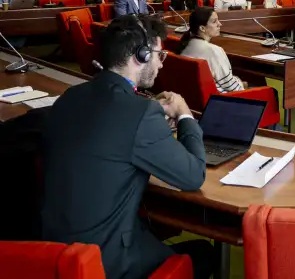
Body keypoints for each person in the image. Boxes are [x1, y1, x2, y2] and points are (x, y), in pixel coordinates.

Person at [41, 15, 213, 279]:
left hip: (54, 252)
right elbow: (193, 175)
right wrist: (184, 114)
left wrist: (150, 115)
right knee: (202, 253)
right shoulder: (141, 113)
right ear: (141, 56)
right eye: (158, 55)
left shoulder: (71, 96)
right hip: (105, 260)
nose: (160, 64)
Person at [180, 7, 245, 93]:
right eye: (214, 21)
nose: (220, 24)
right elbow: (232, 87)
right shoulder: (214, 50)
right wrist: (242, 85)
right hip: (222, 100)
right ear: (202, 28)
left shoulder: (186, 44)